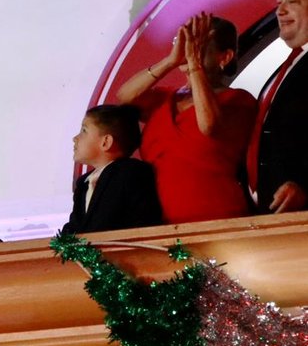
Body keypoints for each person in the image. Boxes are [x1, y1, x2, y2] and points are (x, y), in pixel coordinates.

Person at [116, 13, 257, 223]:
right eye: (184, 41)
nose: (188, 49)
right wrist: (170, 61)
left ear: (224, 57)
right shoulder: (164, 98)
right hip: (161, 220)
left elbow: (208, 126)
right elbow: (124, 97)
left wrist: (195, 66)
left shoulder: (238, 99)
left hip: (218, 215)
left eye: (198, 44)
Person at [249, 0, 308, 213]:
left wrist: (306, 185)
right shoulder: (288, 66)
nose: (280, 11)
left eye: (291, 1)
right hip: (271, 214)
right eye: (278, 3)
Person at [61, 104, 162, 235]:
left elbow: (142, 224)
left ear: (106, 142)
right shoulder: (83, 184)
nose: (75, 138)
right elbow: (75, 227)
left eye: (84, 131)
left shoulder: (131, 173)